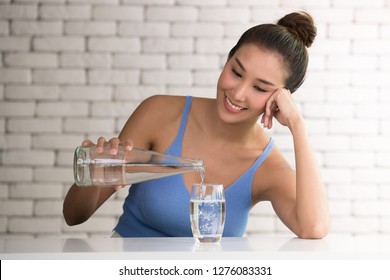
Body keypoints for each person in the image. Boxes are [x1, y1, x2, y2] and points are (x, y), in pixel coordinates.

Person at [63, 11, 330, 239]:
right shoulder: (160, 113)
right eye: (236, 72)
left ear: (279, 98)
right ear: (227, 61)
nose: (237, 93)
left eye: (260, 88)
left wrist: (297, 124)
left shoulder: (266, 166)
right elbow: (74, 216)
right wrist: (94, 173)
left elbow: (314, 227)